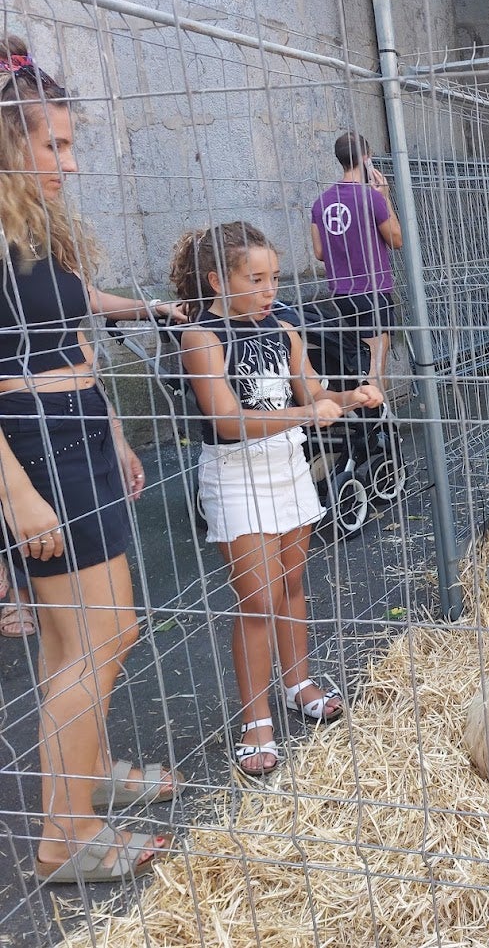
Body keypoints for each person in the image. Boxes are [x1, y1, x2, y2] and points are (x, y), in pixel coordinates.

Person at [0, 36, 179, 883]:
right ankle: (62, 837)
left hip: (76, 427)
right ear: (10, 139)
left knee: (73, 638)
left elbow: (72, 325)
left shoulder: (36, 226)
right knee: (105, 635)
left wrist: (111, 426)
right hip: (33, 444)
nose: (69, 163)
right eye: (55, 144)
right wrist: (16, 493)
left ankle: (90, 775)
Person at [175, 221, 383, 777]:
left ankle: (298, 682)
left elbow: (310, 387)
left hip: (287, 464)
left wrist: (348, 395)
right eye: (256, 279)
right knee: (257, 599)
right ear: (218, 281)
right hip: (236, 474)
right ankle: (255, 719)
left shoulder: (284, 326)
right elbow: (226, 419)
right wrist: (305, 413)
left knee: (291, 584)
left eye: (274, 278)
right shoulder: (203, 337)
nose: (270, 290)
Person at [310, 131, 402, 389]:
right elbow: (396, 240)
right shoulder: (372, 197)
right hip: (373, 291)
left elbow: (319, 252)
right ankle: (375, 413)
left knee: (361, 358)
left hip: (341, 293)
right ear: (366, 158)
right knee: (374, 366)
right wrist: (385, 197)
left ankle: (364, 405)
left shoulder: (320, 203)